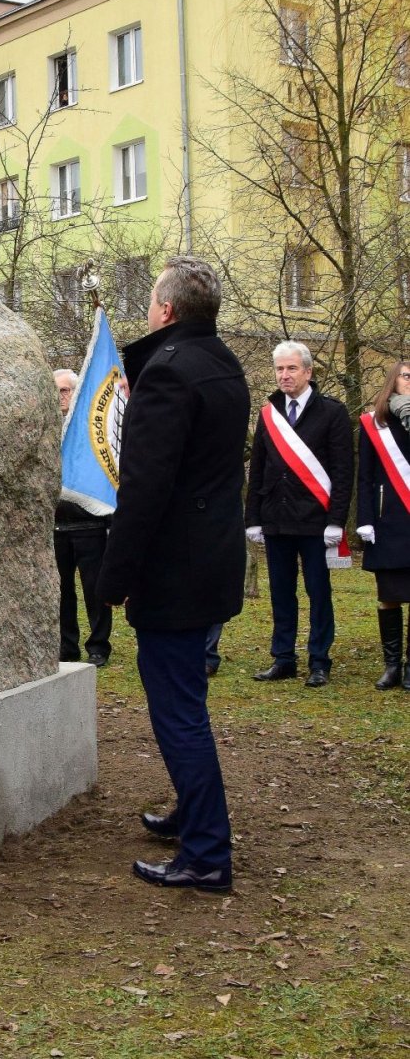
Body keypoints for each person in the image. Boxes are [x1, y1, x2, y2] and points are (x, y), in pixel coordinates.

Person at [97, 257, 249, 892]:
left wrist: (114, 574)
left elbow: (147, 487)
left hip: (175, 567)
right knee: (186, 697)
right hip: (210, 555)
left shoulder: (169, 372)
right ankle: (196, 813)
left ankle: (208, 853)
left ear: (165, 311)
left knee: (178, 710)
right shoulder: (225, 362)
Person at [245, 341, 353, 688]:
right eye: (279, 369)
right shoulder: (268, 414)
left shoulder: (332, 412)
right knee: (281, 591)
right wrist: (254, 519)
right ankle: (284, 658)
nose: (284, 375)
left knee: (318, 592)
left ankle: (319, 660)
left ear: (307, 371)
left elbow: (342, 470)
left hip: (316, 521)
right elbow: (258, 469)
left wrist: (336, 520)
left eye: (291, 369)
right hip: (276, 517)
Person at [52, 367, 113, 668]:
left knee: (95, 590)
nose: (60, 397)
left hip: (89, 523)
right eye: (56, 391)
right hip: (56, 524)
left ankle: (99, 646)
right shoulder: (46, 428)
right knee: (61, 591)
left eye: (65, 390)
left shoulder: (92, 429)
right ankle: (67, 644)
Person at [356, 359, 410, 692]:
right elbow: (365, 476)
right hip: (388, 519)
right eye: (406, 375)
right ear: (393, 381)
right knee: (389, 595)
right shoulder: (374, 423)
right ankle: (391, 665)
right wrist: (364, 520)